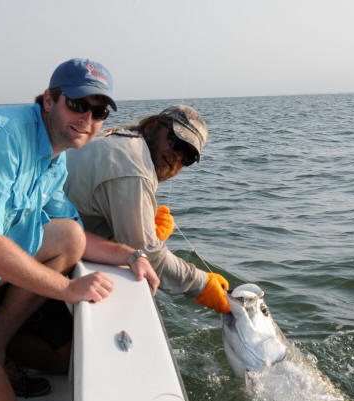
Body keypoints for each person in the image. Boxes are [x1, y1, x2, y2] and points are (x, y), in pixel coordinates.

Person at [0, 58, 158, 401]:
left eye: (99, 112)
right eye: (77, 104)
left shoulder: (53, 160)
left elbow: (73, 233)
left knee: (67, 238)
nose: (88, 119)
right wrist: (68, 288)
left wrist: (131, 254)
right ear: (48, 100)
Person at [64, 104, 230, 313]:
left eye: (187, 156)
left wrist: (146, 225)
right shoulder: (133, 168)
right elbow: (146, 255)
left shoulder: (124, 141)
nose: (178, 156)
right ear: (152, 126)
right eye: (176, 142)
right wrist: (201, 284)